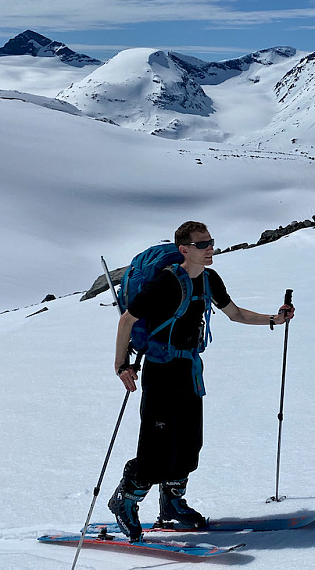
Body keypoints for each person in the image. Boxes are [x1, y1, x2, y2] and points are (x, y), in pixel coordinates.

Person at [108, 221, 295, 539]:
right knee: (156, 449)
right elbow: (128, 319)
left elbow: (234, 314)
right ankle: (125, 500)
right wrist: (121, 365)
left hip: (190, 370)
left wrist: (274, 320)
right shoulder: (166, 283)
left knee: (189, 443)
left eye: (211, 242)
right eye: (202, 244)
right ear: (184, 250)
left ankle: (171, 503)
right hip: (161, 370)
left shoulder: (209, 280)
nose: (211, 248)